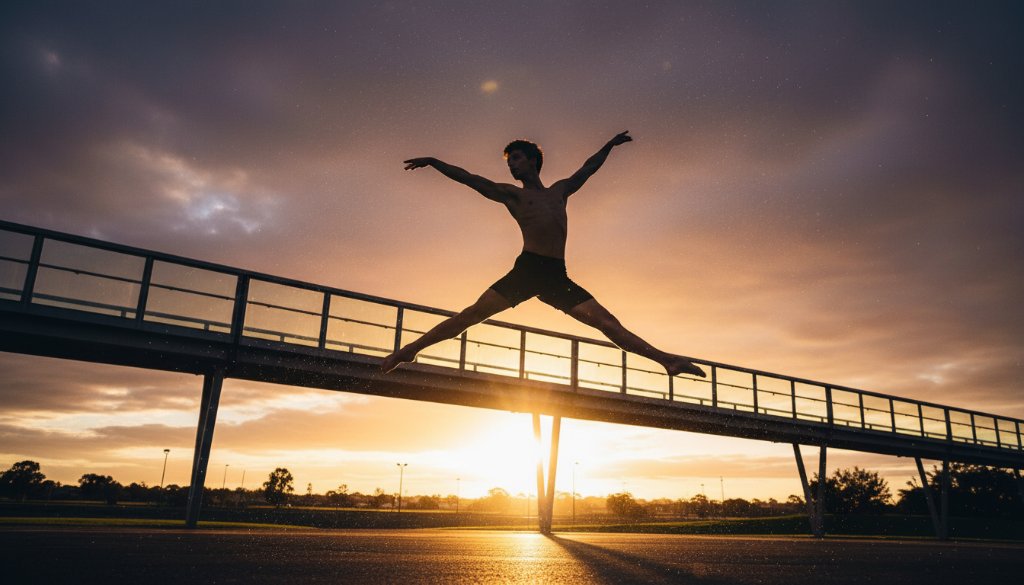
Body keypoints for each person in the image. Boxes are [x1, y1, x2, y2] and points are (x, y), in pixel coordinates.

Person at [381, 131, 705, 378]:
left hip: (555, 276)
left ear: (533, 161)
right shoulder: (512, 196)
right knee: (469, 316)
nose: (511, 166)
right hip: (527, 270)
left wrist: (609, 146)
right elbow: (470, 179)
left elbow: (588, 169)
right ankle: (409, 351)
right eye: (509, 162)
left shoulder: (559, 192)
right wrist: (435, 162)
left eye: (517, 159)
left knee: (608, 323)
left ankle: (668, 361)